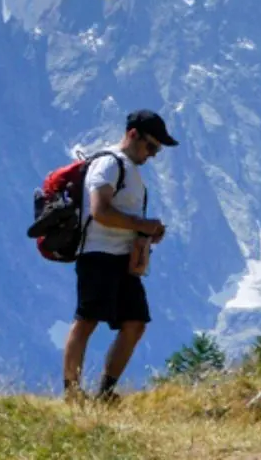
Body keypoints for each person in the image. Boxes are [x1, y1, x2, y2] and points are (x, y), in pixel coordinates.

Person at [62, 109, 178, 402]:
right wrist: (142, 225)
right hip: (98, 255)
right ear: (132, 134)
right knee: (86, 320)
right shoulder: (108, 164)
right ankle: (72, 392)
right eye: (151, 146)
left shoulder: (129, 170)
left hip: (123, 257)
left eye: (158, 150)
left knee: (135, 323)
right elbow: (100, 211)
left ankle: (105, 392)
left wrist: (147, 231)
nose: (152, 154)